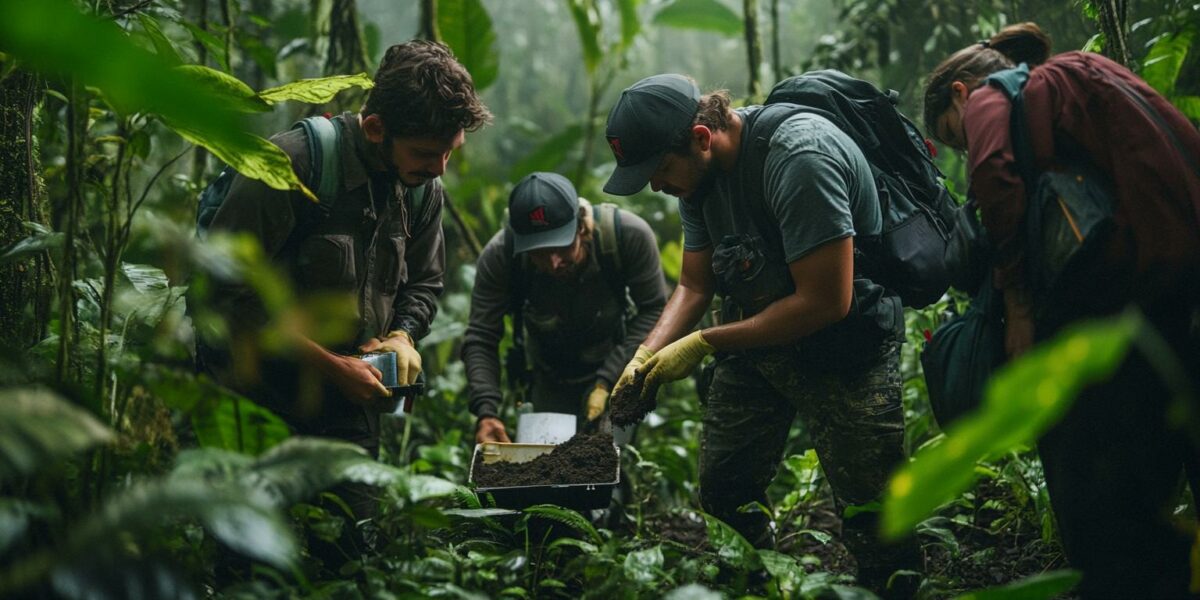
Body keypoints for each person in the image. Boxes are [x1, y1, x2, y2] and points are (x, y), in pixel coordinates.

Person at [602, 74, 919, 592]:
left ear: (702, 138)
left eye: (659, 171)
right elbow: (694, 283)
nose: (657, 186)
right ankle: (759, 583)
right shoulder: (696, 179)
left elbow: (825, 301)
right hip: (759, 338)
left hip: (846, 343)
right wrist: (646, 354)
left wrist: (704, 342)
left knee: (874, 513)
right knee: (725, 487)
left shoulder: (799, 159)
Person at [924, 23, 1200, 599]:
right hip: (1174, 279)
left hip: (1125, 291)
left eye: (956, 140)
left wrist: (1019, 306)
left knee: (1097, 470)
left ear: (958, 93)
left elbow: (997, 180)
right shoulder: (1086, 71)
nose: (966, 148)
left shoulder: (990, 95)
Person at [199, 40, 491, 457]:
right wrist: (331, 366)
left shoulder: (422, 190)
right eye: (426, 153)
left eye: (450, 152)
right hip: (254, 400)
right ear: (375, 128)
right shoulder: (292, 165)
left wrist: (402, 336)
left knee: (360, 521)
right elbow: (223, 292)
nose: (439, 168)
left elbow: (425, 282)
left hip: (350, 408)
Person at [462, 171, 668, 445]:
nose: (554, 262)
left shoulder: (627, 236)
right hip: (549, 377)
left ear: (581, 226)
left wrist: (607, 380)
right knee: (549, 469)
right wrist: (486, 411)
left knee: (607, 461)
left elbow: (655, 312)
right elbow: (481, 335)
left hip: (618, 367)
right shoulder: (501, 255)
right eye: (539, 253)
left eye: (561, 246)